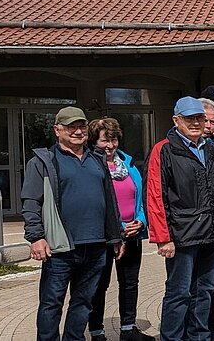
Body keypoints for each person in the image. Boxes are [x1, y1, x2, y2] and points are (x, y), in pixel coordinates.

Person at [23, 107, 124, 341]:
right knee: (51, 304)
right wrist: (36, 237)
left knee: (83, 302)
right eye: (71, 127)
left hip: (96, 245)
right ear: (57, 130)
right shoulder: (43, 161)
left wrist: (115, 235)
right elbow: (31, 201)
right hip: (60, 247)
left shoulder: (97, 158)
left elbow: (109, 199)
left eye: (81, 126)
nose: (78, 131)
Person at [147, 97, 214, 341]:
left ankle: (199, 336)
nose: (195, 123)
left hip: (212, 233)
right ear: (176, 120)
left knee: (204, 291)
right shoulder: (163, 150)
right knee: (178, 292)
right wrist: (163, 238)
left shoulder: (211, 149)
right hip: (182, 235)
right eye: (189, 118)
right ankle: (172, 337)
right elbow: (155, 195)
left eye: (199, 118)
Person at [85, 118, 152, 341]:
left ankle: (128, 329)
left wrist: (141, 220)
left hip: (133, 234)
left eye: (113, 140)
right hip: (105, 236)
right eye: (105, 140)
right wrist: (119, 227)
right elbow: (96, 203)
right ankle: (96, 332)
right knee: (99, 285)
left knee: (130, 283)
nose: (110, 146)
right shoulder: (91, 165)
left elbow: (140, 199)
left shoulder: (128, 163)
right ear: (94, 141)